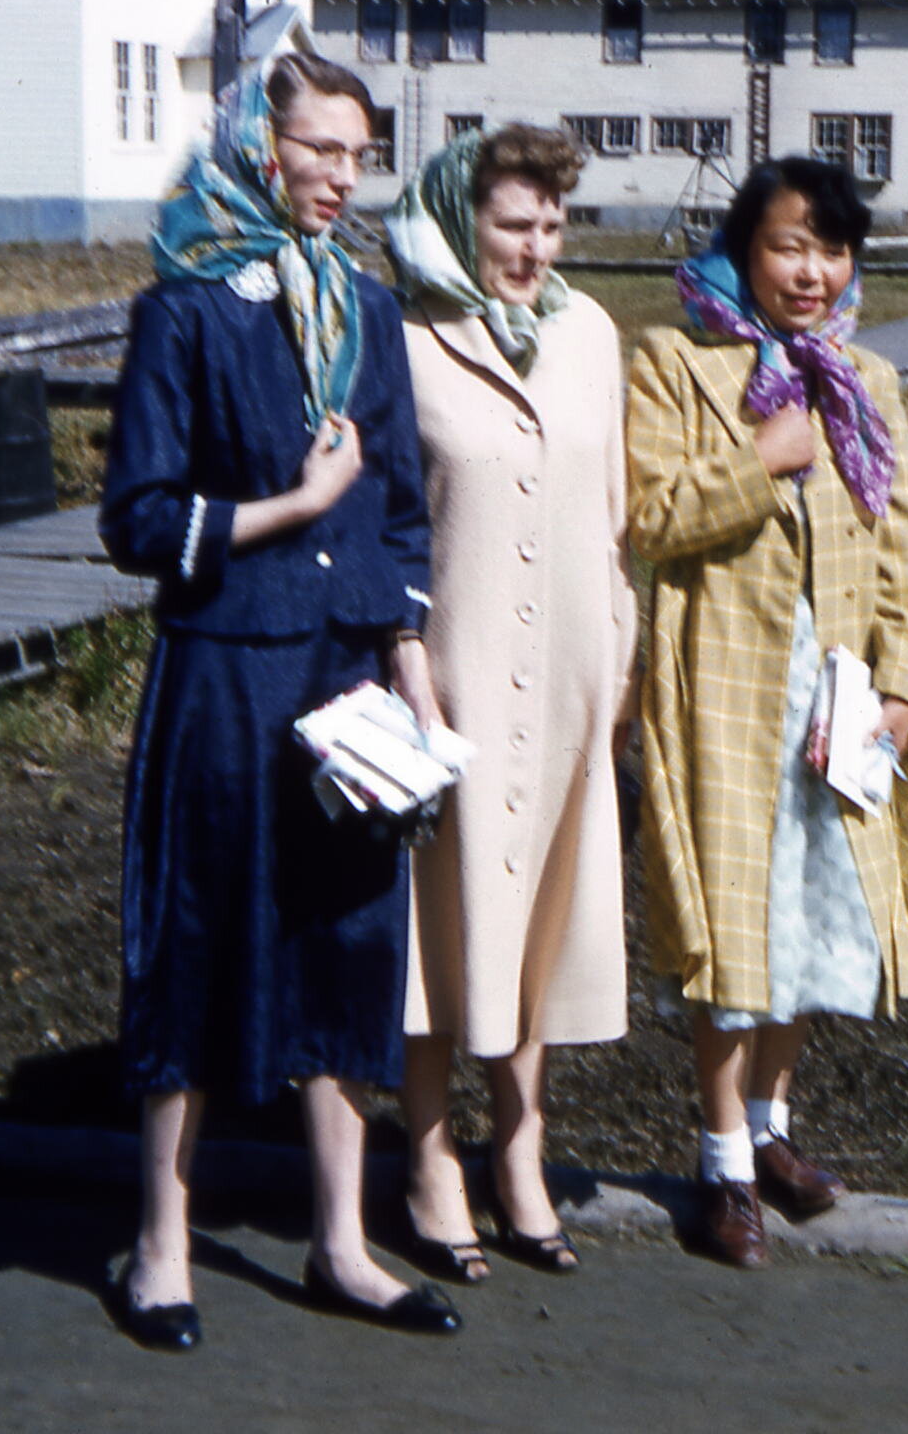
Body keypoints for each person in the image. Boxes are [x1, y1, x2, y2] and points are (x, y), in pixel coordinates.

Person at [98, 53, 460, 1345]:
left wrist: (410, 662)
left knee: (345, 944)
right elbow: (135, 520)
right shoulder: (183, 310)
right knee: (195, 940)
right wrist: (292, 508)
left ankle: (342, 1245)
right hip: (224, 673)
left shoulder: (365, 306)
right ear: (260, 145)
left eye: (358, 157)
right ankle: (161, 1245)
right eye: (319, 151)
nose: (341, 178)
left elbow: (401, 512)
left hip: (344, 679)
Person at [625, 157, 908, 1269]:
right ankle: (722, 1160)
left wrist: (904, 688)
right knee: (735, 923)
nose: (813, 271)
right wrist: (758, 457)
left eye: (832, 250)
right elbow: (647, 516)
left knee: (819, 916)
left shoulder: (867, 381)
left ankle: (773, 1132)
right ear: (745, 248)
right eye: (789, 245)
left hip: (838, 705)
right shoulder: (676, 364)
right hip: (722, 695)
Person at [384, 124, 635, 1281]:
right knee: (443, 934)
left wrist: (617, 653)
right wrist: (406, 661)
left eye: (552, 224)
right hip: (456, 673)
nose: (534, 248)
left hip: (574, 674)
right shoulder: (405, 336)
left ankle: (522, 1148)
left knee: (539, 922)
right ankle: (431, 1158)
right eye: (511, 225)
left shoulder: (591, 336)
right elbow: (388, 513)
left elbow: (612, 513)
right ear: (458, 218)